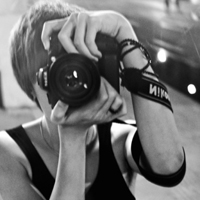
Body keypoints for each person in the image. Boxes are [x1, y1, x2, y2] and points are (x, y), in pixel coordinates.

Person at [0, 0, 186, 200]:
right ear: (31, 88)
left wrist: (124, 34)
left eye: (82, 65)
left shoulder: (120, 136)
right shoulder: (7, 152)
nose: (75, 78)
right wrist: (72, 139)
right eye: (59, 72)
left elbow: (169, 166)